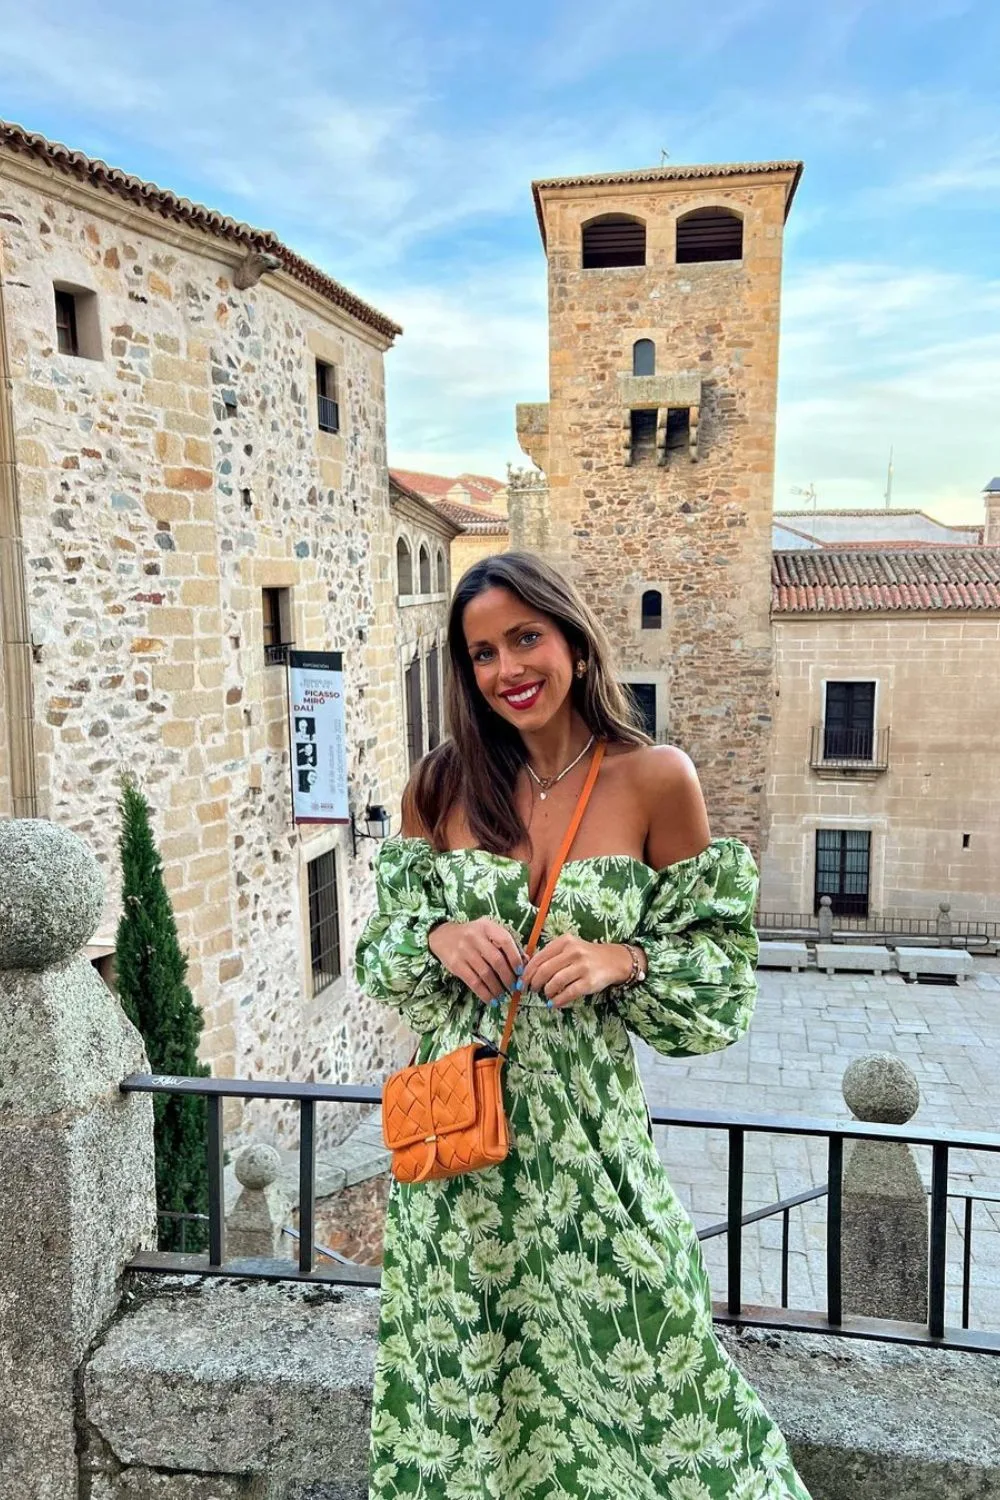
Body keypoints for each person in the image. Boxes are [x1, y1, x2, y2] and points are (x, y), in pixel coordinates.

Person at [356, 552, 811, 1500]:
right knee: (471, 1398)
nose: (508, 668)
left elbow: (723, 977)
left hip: (592, 1152)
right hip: (458, 1160)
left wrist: (625, 958)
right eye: (481, 652)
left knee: (665, 1389)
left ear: (570, 638)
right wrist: (438, 934)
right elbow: (379, 954)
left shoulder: (654, 779)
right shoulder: (438, 788)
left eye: (526, 636)